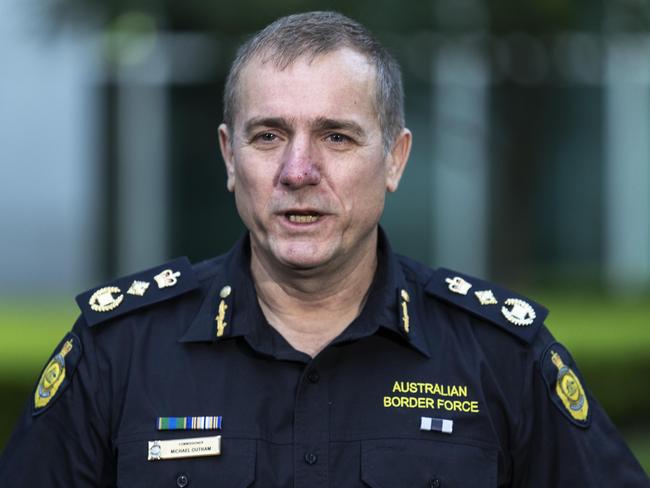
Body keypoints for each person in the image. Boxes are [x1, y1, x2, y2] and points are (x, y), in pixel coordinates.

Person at [0, 10, 647, 487]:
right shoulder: (117, 352)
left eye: (336, 137)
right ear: (230, 158)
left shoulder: (499, 356)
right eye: (268, 137)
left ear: (395, 159)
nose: (298, 171)